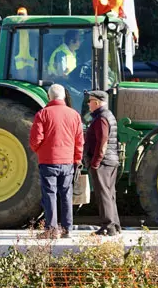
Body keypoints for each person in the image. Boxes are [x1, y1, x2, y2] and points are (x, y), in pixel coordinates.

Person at [29, 83, 84, 239]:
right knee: (66, 194)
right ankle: (67, 229)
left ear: (49, 97)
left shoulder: (43, 114)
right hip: (67, 162)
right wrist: (77, 159)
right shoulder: (74, 115)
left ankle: (52, 230)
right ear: (64, 96)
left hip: (48, 161)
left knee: (50, 194)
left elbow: (35, 140)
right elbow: (79, 141)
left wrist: (40, 150)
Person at [83, 90, 121, 236]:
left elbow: (102, 141)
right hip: (111, 161)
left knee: (103, 194)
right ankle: (115, 225)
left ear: (97, 102)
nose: (88, 104)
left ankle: (108, 226)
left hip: (103, 162)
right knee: (110, 193)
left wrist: (95, 163)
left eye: (90, 101)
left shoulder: (101, 118)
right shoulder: (108, 115)